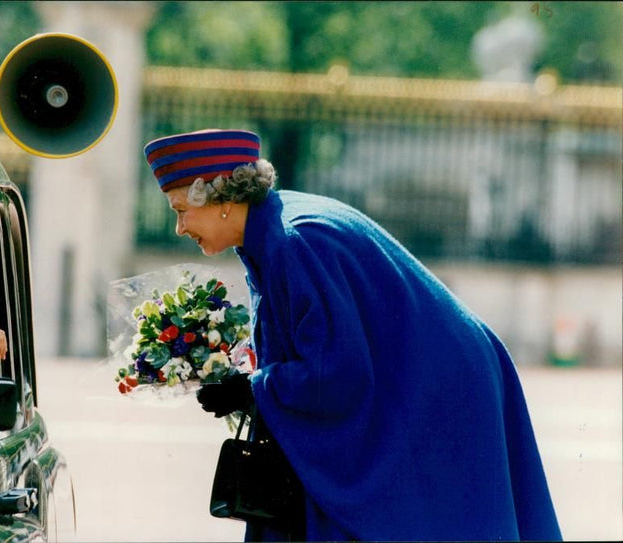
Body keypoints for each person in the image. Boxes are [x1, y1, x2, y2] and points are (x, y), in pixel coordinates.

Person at [143, 129, 562, 542]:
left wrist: (253, 390)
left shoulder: (293, 240)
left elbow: (334, 374)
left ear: (220, 200)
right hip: (429, 377)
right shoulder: (273, 231)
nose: (179, 227)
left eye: (181, 210)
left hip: (438, 392)